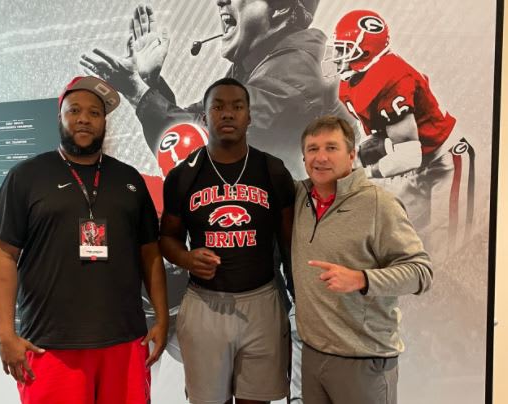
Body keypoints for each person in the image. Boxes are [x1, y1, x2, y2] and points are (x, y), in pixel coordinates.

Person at [0, 76, 169, 404]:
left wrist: (162, 316)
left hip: (124, 342)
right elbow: (3, 255)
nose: (84, 118)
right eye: (75, 110)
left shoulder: (129, 180)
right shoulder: (26, 177)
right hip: (50, 343)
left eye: (94, 112)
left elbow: (150, 253)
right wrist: (4, 333)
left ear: (104, 122)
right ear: (60, 117)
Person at [80, 0, 354, 179]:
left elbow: (205, 143)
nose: (221, 1)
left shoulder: (296, 73)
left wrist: (139, 93)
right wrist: (150, 82)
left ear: (280, 8)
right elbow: (190, 130)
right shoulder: (255, 63)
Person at [160, 78, 294, 404]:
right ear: (205, 118)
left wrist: (300, 301)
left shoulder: (273, 170)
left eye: (237, 106)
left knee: (256, 400)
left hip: (262, 300)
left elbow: (291, 246)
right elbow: (167, 240)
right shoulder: (183, 175)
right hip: (206, 302)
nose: (228, 114)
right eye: (218, 107)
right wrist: (187, 259)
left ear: (250, 116)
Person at [292, 115, 433, 404]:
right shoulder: (299, 197)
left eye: (331, 148)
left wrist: (362, 279)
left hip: (363, 359)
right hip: (312, 355)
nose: (320, 157)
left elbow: (421, 272)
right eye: (312, 149)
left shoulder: (378, 203)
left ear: (352, 154)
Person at [322, 9, 474, 260]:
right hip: (419, 163)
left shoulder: (391, 78)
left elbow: (408, 156)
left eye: (344, 49)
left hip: (446, 159)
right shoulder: (353, 80)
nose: (338, 57)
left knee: (449, 250)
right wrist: (354, 160)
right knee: (405, 239)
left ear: (365, 51)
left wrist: (364, 173)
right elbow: (382, 138)